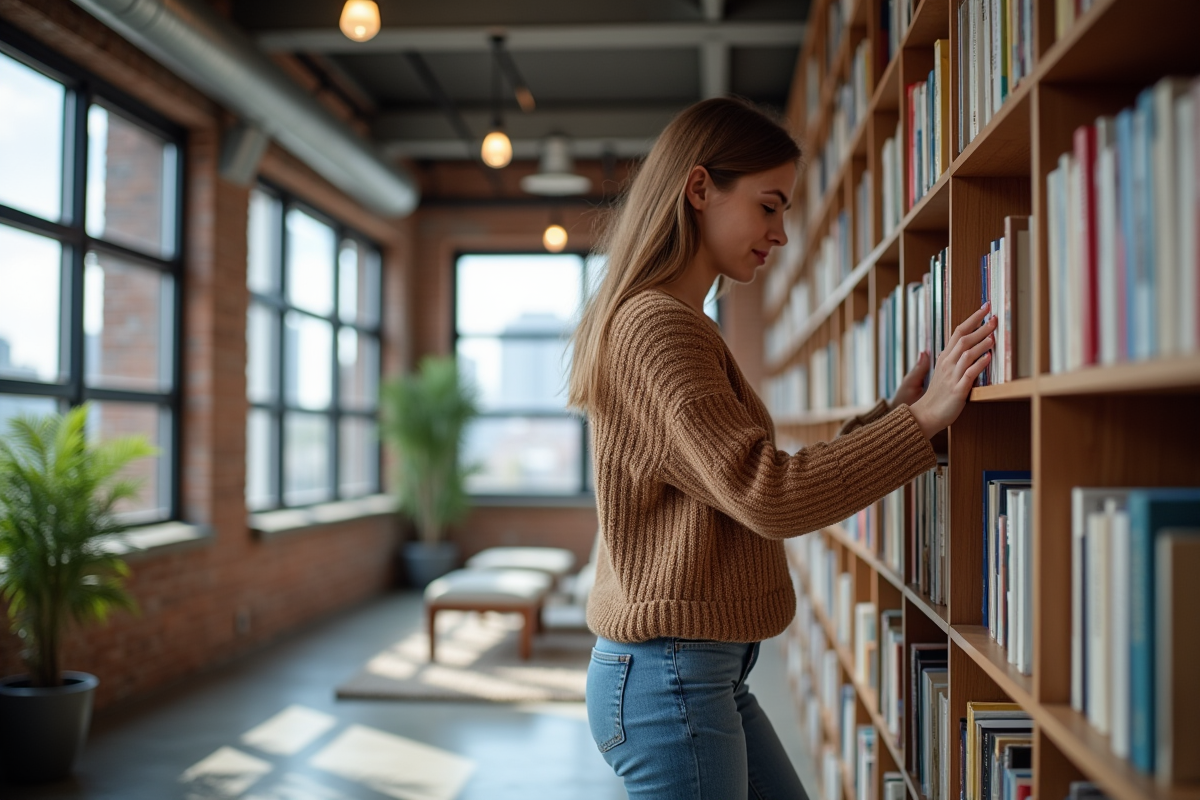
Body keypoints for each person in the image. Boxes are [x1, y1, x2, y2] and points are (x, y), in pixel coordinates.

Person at [567, 97, 996, 800]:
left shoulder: (673, 322)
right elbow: (768, 495)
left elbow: (739, 480)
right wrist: (916, 426)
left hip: (699, 675)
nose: (783, 234)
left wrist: (898, 414)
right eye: (770, 207)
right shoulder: (658, 328)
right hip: (672, 678)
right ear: (700, 188)